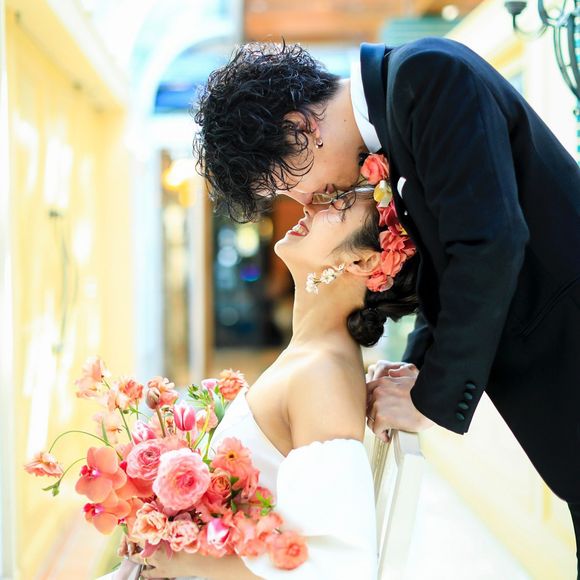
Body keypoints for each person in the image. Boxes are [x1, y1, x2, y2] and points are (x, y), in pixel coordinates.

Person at [193, 39, 580, 574]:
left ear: (299, 127)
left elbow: (489, 244)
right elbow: (451, 266)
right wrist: (414, 367)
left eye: (289, 186)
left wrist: (431, 400)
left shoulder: (428, 75)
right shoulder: (398, 112)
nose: (304, 203)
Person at [126, 187, 420, 578]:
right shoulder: (314, 354)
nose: (310, 204)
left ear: (363, 261)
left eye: (339, 205)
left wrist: (177, 560)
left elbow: (334, 568)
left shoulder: (323, 378)